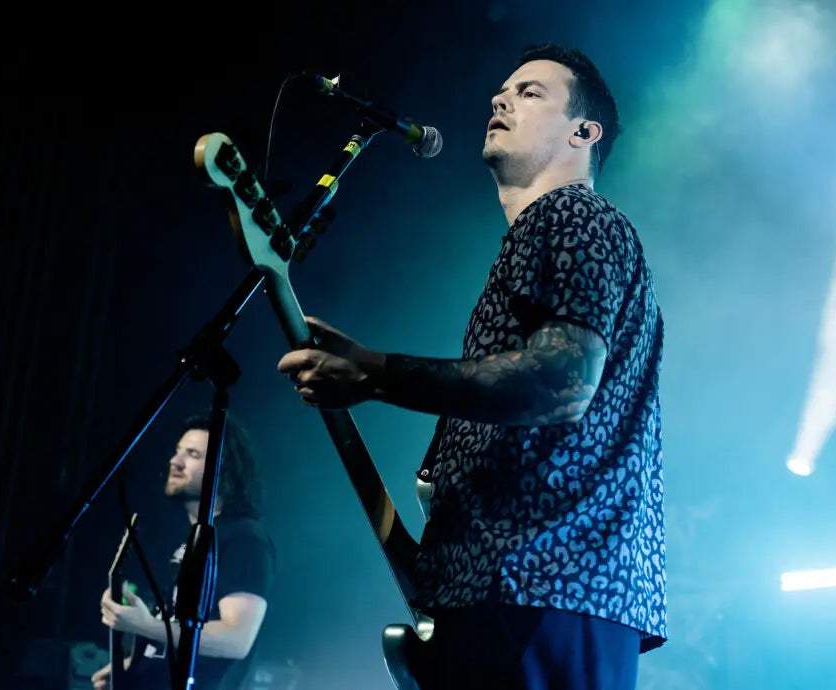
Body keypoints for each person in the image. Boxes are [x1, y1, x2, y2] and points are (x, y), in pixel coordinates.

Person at [277, 42, 666, 689]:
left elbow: (561, 383)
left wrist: (374, 373)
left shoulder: (576, 215)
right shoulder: (535, 238)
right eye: (503, 89)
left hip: (546, 582)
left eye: (530, 92)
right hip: (506, 590)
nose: (500, 98)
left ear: (583, 132)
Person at [92, 414, 276, 689]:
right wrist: (135, 666)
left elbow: (236, 639)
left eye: (192, 454)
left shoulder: (243, 538)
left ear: (223, 470)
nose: (175, 461)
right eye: (178, 451)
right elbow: (178, 630)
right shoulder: (198, 538)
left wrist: (144, 625)